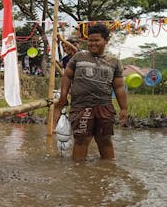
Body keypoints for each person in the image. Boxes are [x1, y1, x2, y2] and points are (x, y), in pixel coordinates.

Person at [54, 24, 128, 161]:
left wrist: (123, 108)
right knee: (81, 140)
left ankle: (108, 170)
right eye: (90, 40)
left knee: (104, 140)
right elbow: (67, 76)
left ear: (106, 41)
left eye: (96, 41)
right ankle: (79, 173)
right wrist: (63, 97)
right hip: (81, 106)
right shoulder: (78, 57)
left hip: (104, 107)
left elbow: (119, 87)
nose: (92, 44)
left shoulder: (114, 62)